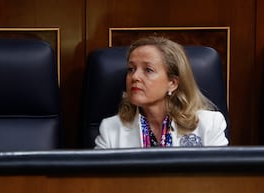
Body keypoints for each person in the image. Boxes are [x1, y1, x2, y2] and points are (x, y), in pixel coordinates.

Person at [94, 36, 228, 149]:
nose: (135, 77)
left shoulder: (209, 125)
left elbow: (220, 179)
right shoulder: (110, 129)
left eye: (148, 70)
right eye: (131, 69)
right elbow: (98, 180)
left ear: (172, 83)